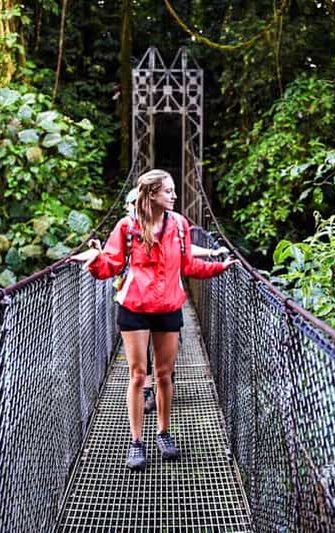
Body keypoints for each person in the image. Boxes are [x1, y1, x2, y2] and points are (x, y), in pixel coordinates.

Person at [72, 169, 237, 470]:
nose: (175, 196)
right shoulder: (127, 227)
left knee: (164, 375)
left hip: (169, 307)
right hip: (134, 307)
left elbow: (188, 265)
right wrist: (95, 259)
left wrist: (218, 268)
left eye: (174, 190)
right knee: (137, 375)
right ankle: (136, 441)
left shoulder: (179, 225)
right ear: (151, 195)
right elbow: (110, 265)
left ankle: (163, 432)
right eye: (168, 191)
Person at [119, 187, 228, 415]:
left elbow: (183, 252)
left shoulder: (170, 226)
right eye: (129, 205)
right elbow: (111, 258)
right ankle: (148, 391)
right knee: (139, 360)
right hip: (135, 299)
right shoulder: (128, 228)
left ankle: (161, 387)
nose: (132, 209)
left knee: (164, 355)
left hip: (165, 298)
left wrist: (211, 255)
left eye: (133, 204)